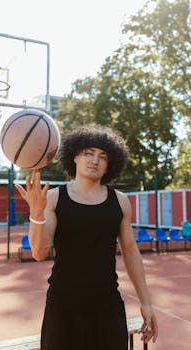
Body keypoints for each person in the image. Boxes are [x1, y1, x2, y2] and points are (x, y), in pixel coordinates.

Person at [15, 124, 158, 350]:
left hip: (107, 306)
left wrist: (146, 302)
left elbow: (130, 250)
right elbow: (39, 252)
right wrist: (36, 213)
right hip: (63, 308)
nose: (95, 160)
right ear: (74, 157)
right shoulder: (53, 198)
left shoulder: (120, 201)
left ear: (109, 164)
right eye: (88, 153)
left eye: (102, 156)